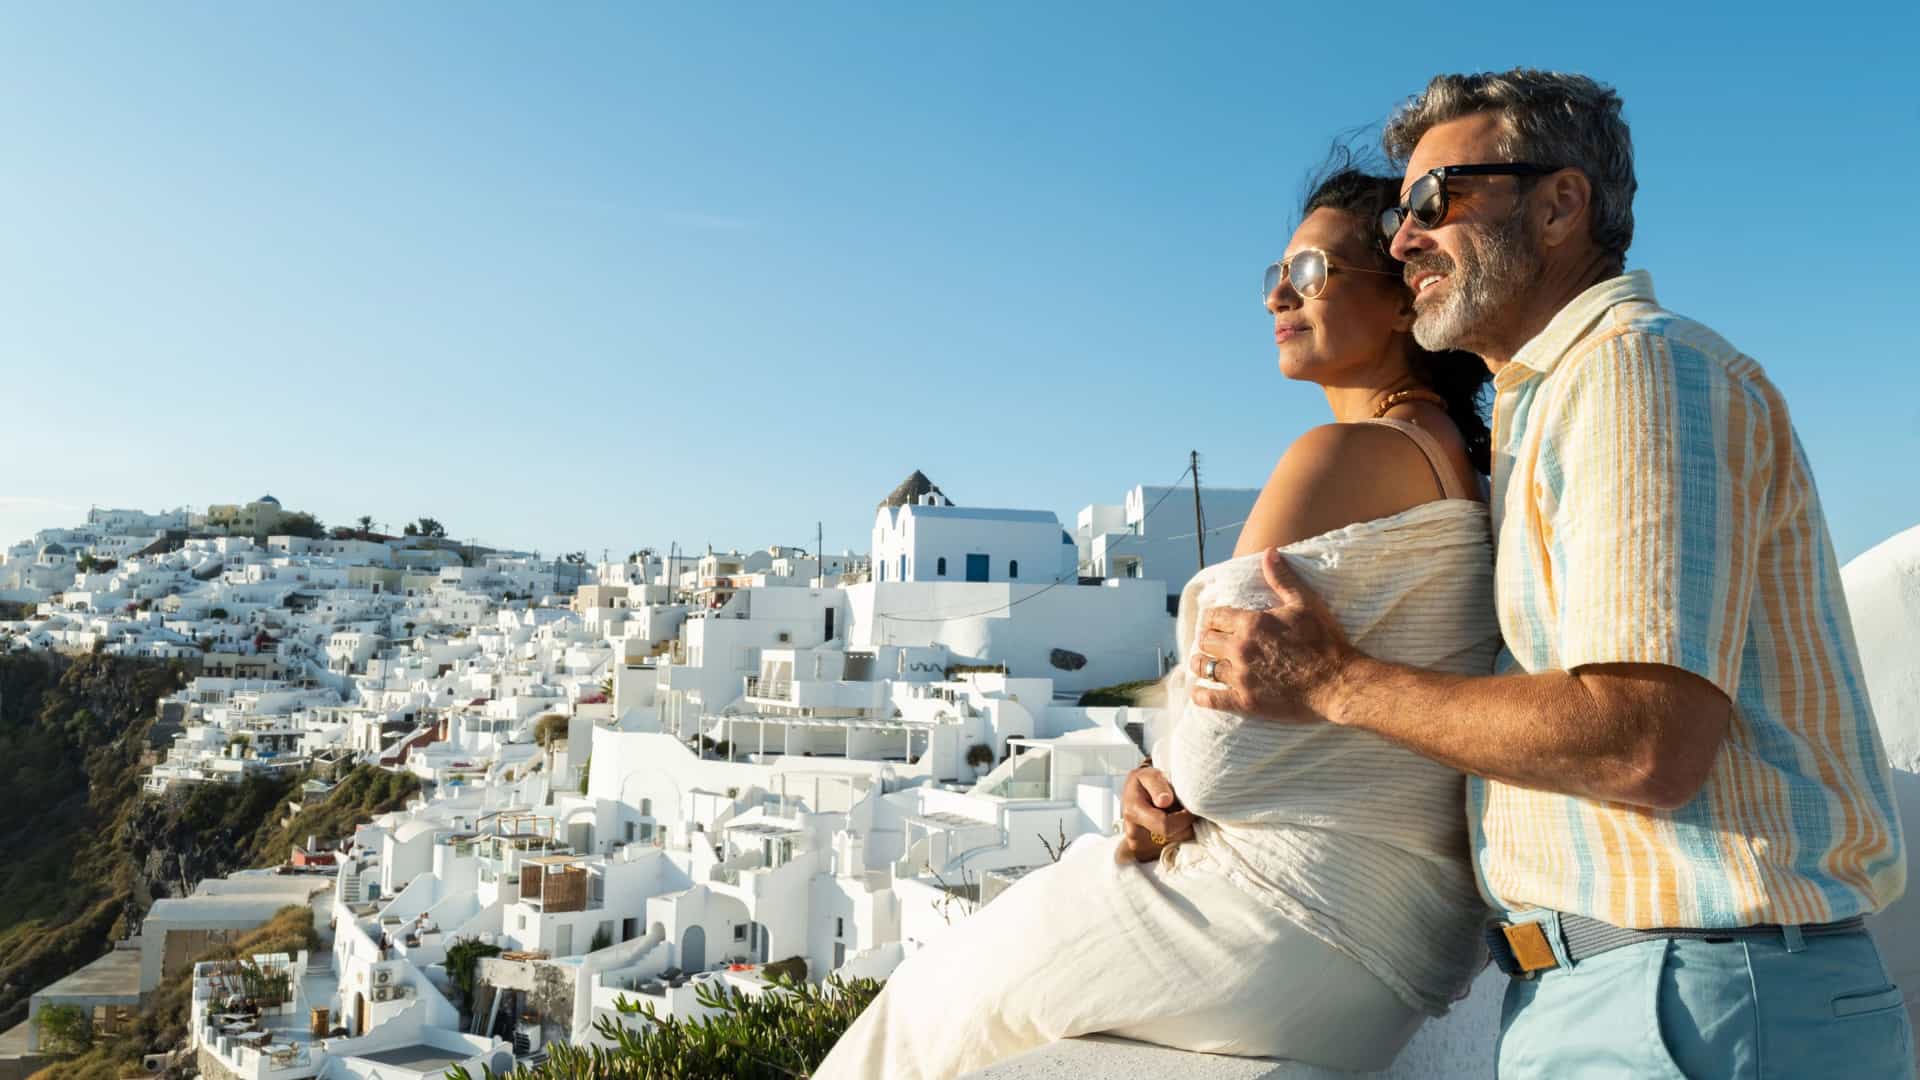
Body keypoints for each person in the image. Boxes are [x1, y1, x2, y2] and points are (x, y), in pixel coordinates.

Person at [1189, 69, 1912, 1078]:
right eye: (1401, 214)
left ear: (1561, 203)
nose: (1404, 241)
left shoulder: (1639, 372)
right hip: (1629, 996)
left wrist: (1333, 682)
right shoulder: (1546, 406)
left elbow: (1643, 740)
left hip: (1691, 1003)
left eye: (1435, 201)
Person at [815, 163, 1500, 1079]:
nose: (1275, 299)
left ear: (1405, 293)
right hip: (1400, 952)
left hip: (1279, 920)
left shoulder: (1342, 454)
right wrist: (1169, 775)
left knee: (910, 1021)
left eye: (1310, 273)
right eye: (1275, 275)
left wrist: (1172, 785)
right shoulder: (1461, 464)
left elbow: (1218, 752)